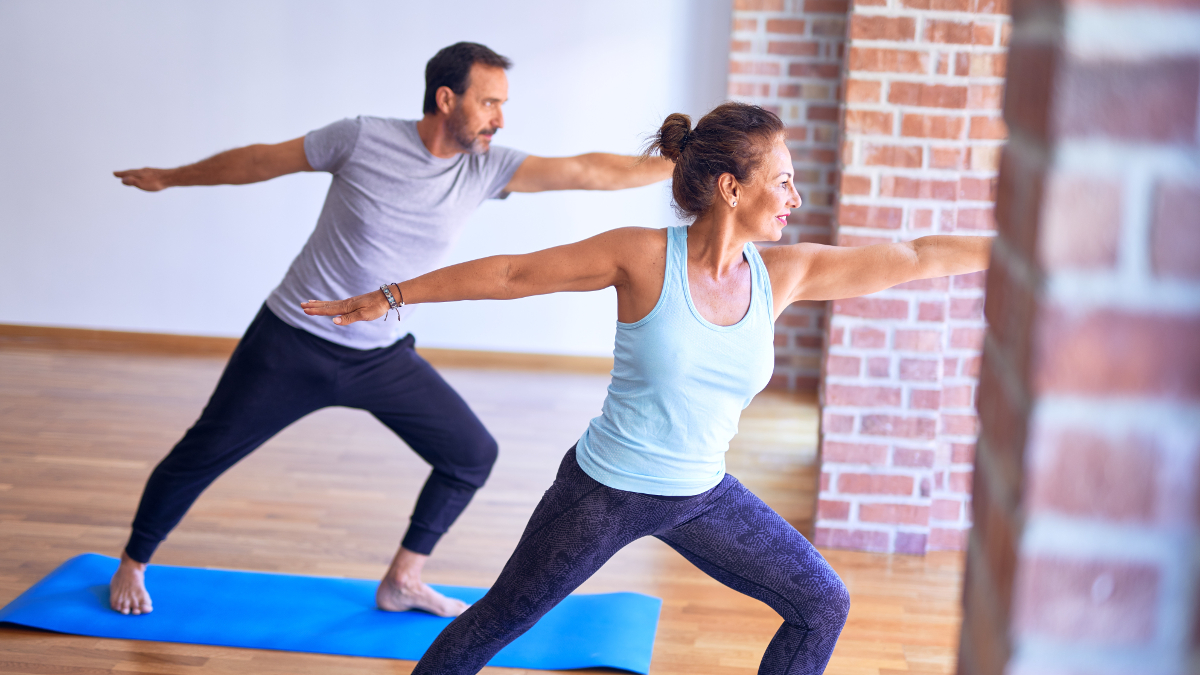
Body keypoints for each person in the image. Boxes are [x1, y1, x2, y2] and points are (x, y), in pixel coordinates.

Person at [301, 102, 992, 674]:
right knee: (493, 624)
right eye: (781, 181)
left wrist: (1020, 244)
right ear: (730, 187)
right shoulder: (641, 255)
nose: (795, 198)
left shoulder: (783, 274)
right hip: (604, 491)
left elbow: (914, 258)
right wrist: (389, 295)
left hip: (702, 494)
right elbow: (513, 274)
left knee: (822, 602)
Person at [107, 41, 674, 617]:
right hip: (290, 343)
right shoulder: (360, 138)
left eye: (503, 104)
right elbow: (260, 161)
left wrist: (688, 164)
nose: (500, 119)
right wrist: (171, 177)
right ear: (446, 98)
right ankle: (132, 562)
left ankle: (404, 579)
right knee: (201, 453)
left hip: (379, 356)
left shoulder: (487, 165)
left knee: (470, 454)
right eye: (489, 103)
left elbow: (592, 171)